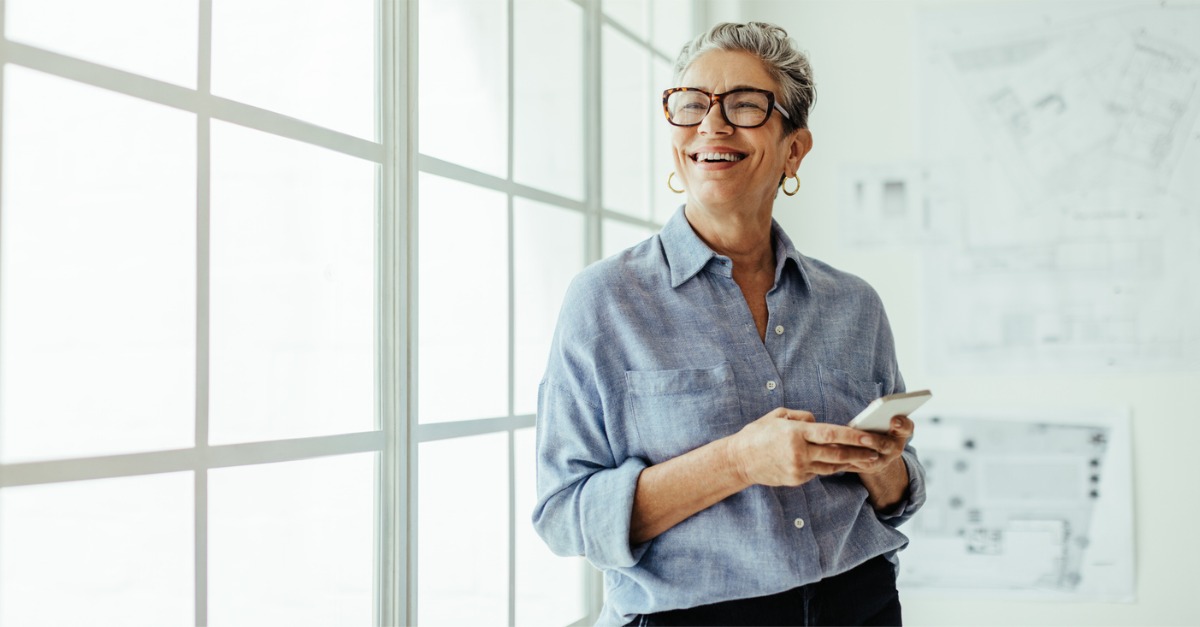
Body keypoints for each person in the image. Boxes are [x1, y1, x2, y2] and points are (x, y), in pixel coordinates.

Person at [533, 21, 926, 627]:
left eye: (745, 106)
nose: (712, 125)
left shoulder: (855, 305)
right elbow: (565, 516)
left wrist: (880, 462)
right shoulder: (605, 301)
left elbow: (897, 499)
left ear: (794, 149)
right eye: (692, 105)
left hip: (861, 603)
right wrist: (739, 462)